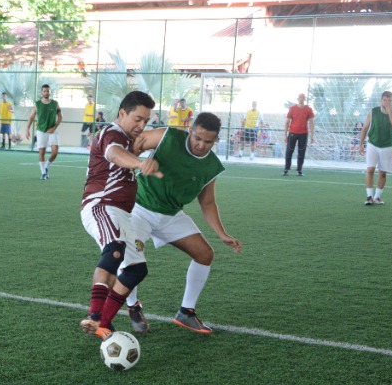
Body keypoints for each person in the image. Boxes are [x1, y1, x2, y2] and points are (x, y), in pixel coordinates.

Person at [121, 112, 241, 335]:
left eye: (208, 142)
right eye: (198, 138)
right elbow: (134, 144)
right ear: (190, 131)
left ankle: (186, 312)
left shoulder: (211, 166)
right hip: (139, 209)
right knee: (129, 256)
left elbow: (207, 202)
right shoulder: (167, 137)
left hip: (171, 215)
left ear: (216, 141)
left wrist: (222, 234)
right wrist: (139, 161)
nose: (201, 145)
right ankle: (133, 306)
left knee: (205, 254)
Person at [77, 90, 160, 340]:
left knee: (136, 269)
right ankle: (94, 316)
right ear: (122, 113)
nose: (142, 125)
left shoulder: (127, 139)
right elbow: (113, 153)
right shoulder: (111, 133)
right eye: (137, 119)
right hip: (101, 205)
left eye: (146, 121)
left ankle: (104, 322)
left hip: (122, 214)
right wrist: (137, 162)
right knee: (114, 251)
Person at [362, 90, 392, 205]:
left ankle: (377, 197)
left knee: (383, 173)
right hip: (372, 144)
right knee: (370, 169)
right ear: (381, 100)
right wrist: (360, 144)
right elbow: (365, 128)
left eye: (389, 100)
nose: (387, 102)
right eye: (385, 100)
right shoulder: (373, 112)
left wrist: (389, 111)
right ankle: (369, 196)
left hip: (387, 146)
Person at [26, 83, 62, 180]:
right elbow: (31, 117)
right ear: (42, 92)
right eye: (44, 91)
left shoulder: (55, 104)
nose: (46, 92)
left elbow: (60, 118)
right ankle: (43, 173)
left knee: (55, 152)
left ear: (50, 92)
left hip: (52, 130)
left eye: (48, 91)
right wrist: (27, 129)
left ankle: (46, 166)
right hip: (41, 131)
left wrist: (54, 128)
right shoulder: (37, 104)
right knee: (42, 152)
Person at [284, 93, 315, 176]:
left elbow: (311, 122)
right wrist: (285, 135)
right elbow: (287, 122)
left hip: (303, 134)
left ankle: (299, 170)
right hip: (292, 133)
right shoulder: (292, 108)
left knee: (301, 152)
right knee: (289, 151)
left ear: (305, 99)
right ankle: (286, 169)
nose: (301, 99)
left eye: (303, 97)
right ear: (297, 99)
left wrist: (312, 135)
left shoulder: (308, 109)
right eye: (300, 97)